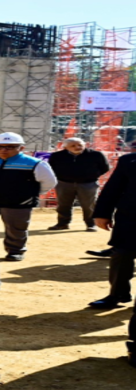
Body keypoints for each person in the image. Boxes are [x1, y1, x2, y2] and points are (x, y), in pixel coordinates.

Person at [0, 132, 57, 261]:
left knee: (16, 229)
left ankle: (15, 251)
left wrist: (29, 193)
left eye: (10, 147)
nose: (4, 150)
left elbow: (49, 182)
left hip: (18, 202)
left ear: (21, 148)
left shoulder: (35, 163)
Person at [91, 151, 136, 367]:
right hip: (130, 221)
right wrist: (102, 212)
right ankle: (117, 295)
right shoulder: (129, 160)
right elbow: (113, 188)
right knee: (121, 257)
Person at [47, 138, 110, 232]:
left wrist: (92, 175)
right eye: (73, 146)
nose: (77, 147)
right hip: (64, 184)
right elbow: (50, 168)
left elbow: (105, 167)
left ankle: (91, 224)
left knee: (89, 205)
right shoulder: (57, 156)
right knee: (63, 205)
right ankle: (63, 223)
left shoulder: (95, 155)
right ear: (65, 147)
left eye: (80, 145)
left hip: (88, 184)